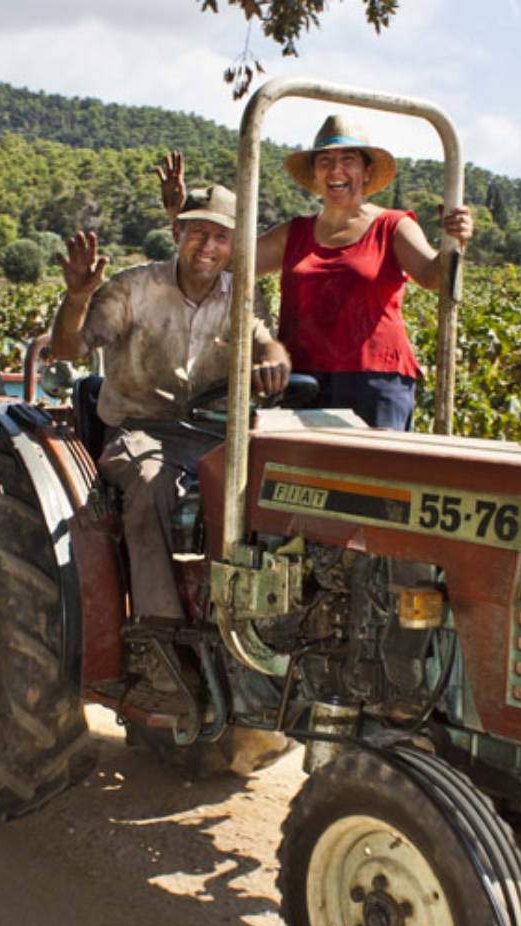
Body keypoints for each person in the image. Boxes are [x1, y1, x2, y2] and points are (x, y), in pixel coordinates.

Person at [51, 184, 291, 624]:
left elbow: (266, 342)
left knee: (280, 482)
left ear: (234, 246)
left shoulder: (242, 294)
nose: (209, 246)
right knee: (149, 482)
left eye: (221, 237)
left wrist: (274, 362)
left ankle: (254, 621)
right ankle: (160, 632)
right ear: (178, 232)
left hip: (213, 433)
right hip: (141, 428)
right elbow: (69, 348)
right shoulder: (133, 288)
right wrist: (79, 297)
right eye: (199, 233)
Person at [157, 117, 473, 430]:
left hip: (374, 381)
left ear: (366, 172)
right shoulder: (294, 233)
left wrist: (454, 241)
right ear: (316, 174)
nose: (336, 169)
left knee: (370, 476)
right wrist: (183, 219)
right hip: (303, 382)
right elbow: (226, 262)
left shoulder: (392, 226)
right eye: (325, 161)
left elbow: (433, 276)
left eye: (348, 159)